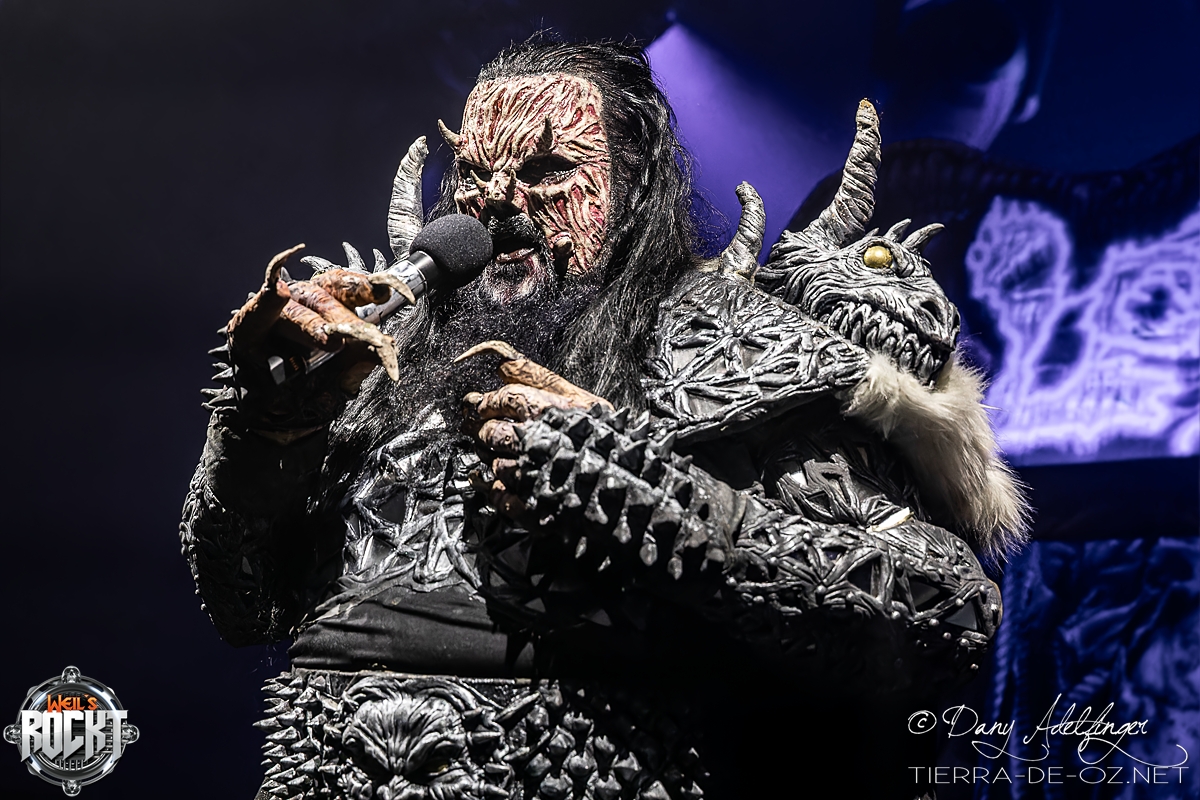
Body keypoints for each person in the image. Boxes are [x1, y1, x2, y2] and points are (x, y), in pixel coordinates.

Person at [181, 35, 1027, 800]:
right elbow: (241, 607)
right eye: (472, 174)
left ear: (635, 189)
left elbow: (943, 612)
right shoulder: (375, 355)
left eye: (548, 171)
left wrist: (629, 483)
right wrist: (265, 436)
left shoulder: (728, 351)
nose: (497, 202)